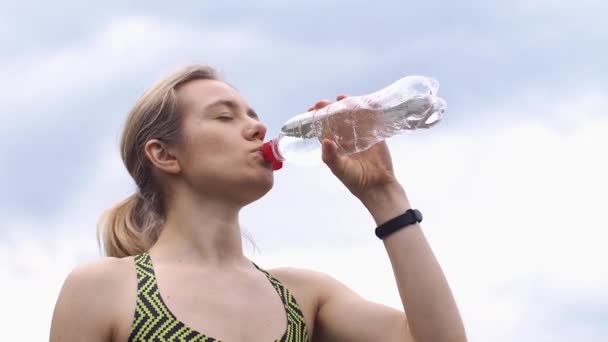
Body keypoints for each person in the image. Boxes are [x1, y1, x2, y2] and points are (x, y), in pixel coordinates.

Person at [50, 65, 466, 342]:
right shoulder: (105, 288)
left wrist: (385, 195)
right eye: (225, 117)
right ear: (165, 155)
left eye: (252, 115)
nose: (258, 127)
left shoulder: (304, 295)